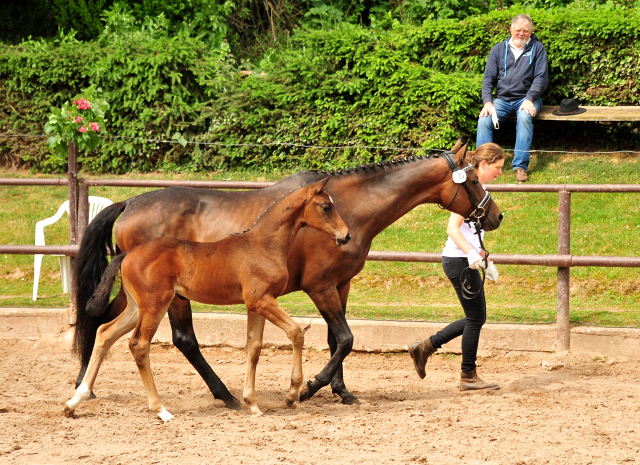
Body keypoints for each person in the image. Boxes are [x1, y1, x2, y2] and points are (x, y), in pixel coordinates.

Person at [408, 142, 505, 391]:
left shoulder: (479, 189)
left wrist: (485, 258)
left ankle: (427, 348)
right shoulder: (466, 188)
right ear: (484, 164)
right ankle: (467, 375)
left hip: (463, 260)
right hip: (459, 261)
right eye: (498, 167)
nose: (500, 172)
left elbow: (471, 233)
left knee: (476, 317)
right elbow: (453, 228)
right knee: (476, 317)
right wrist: (471, 255)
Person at [476, 14, 548, 183]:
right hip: (502, 99)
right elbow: (488, 79)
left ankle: (520, 167)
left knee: (524, 117)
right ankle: (482, 165)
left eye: (525, 31)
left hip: (527, 98)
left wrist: (530, 98)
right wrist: (487, 101)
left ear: (531, 32)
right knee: (484, 120)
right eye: (518, 30)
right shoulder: (499, 49)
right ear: (511, 30)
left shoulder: (538, 49)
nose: (521, 33)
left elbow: (541, 78)